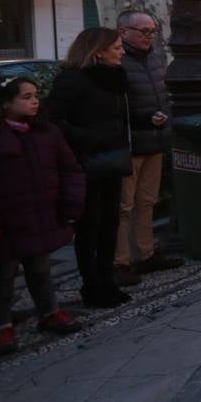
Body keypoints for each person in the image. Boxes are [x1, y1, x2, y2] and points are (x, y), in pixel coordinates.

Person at [0, 77, 84, 354]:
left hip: (41, 214)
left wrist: (70, 206)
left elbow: (70, 169)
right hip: (5, 220)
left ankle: (49, 312)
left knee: (40, 268)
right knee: (2, 275)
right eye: (26, 96)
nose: (34, 101)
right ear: (6, 103)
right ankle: (0, 327)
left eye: (36, 95)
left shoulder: (47, 133)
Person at [45, 27, 133, 309]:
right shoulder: (72, 80)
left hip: (113, 159)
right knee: (90, 226)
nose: (122, 52)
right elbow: (51, 120)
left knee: (110, 222)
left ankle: (106, 279)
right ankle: (91, 284)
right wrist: (89, 138)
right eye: (117, 47)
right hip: (86, 162)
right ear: (98, 51)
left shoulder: (115, 80)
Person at [114, 10, 181, 285]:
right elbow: (116, 107)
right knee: (124, 206)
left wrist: (165, 119)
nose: (148, 36)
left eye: (152, 31)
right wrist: (143, 120)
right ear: (123, 31)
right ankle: (120, 261)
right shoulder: (116, 61)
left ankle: (145, 252)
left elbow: (162, 96)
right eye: (143, 31)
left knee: (147, 202)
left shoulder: (154, 58)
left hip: (154, 141)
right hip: (130, 146)